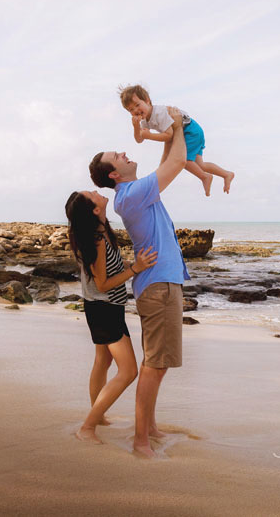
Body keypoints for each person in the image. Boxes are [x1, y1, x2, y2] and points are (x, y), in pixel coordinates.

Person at [88, 106, 189, 458]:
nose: (126, 152)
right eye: (118, 155)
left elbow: (167, 162)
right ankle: (141, 439)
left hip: (162, 283)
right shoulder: (130, 195)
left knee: (157, 365)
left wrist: (171, 135)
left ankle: (150, 427)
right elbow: (175, 165)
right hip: (159, 286)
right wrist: (175, 124)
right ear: (114, 174)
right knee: (155, 365)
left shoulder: (136, 192)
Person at [65, 189, 158, 445]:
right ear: (95, 210)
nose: (96, 191)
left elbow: (108, 268)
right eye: (92, 194)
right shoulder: (95, 238)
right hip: (104, 307)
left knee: (102, 361)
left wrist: (130, 264)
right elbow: (103, 283)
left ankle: (99, 415)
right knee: (128, 371)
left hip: (104, 306)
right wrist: (136, 268)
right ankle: (87, 426)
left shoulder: (102, 228)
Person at [119, 84, 235, 196]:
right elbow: (139, 140)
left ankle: (205, 177)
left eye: (137, 105)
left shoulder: (159, 113)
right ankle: (226, 174)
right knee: (200, 164)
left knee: (183, 160)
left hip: (189, 130)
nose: (135, 110)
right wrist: (136, 127)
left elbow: (169, 135)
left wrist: (150, 136)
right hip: (191, 131)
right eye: (131, 109)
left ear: (147, 100)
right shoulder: (144, 121)